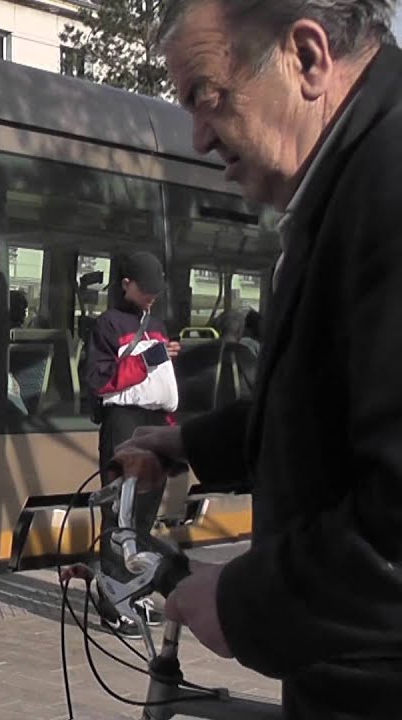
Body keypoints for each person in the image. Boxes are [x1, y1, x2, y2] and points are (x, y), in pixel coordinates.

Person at [109, 0, 402, 717]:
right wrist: (194, 442)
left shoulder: (390, 186)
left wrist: (242, 603)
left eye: (207, 98)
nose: (200, 137)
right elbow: (329, 401)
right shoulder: (348, 178)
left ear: (307, 58)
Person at [83, 251, 181, 637]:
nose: (152, 297)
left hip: (153, 423)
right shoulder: (107, 325)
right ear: (126, 284)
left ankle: (135, 589)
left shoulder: (154, 324)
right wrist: (148, 360)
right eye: (146, 290)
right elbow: (100, 381)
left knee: (143, 512)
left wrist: (172, 431)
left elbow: (162, 383)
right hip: (123, 421)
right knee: (119, 511)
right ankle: (112, 598)